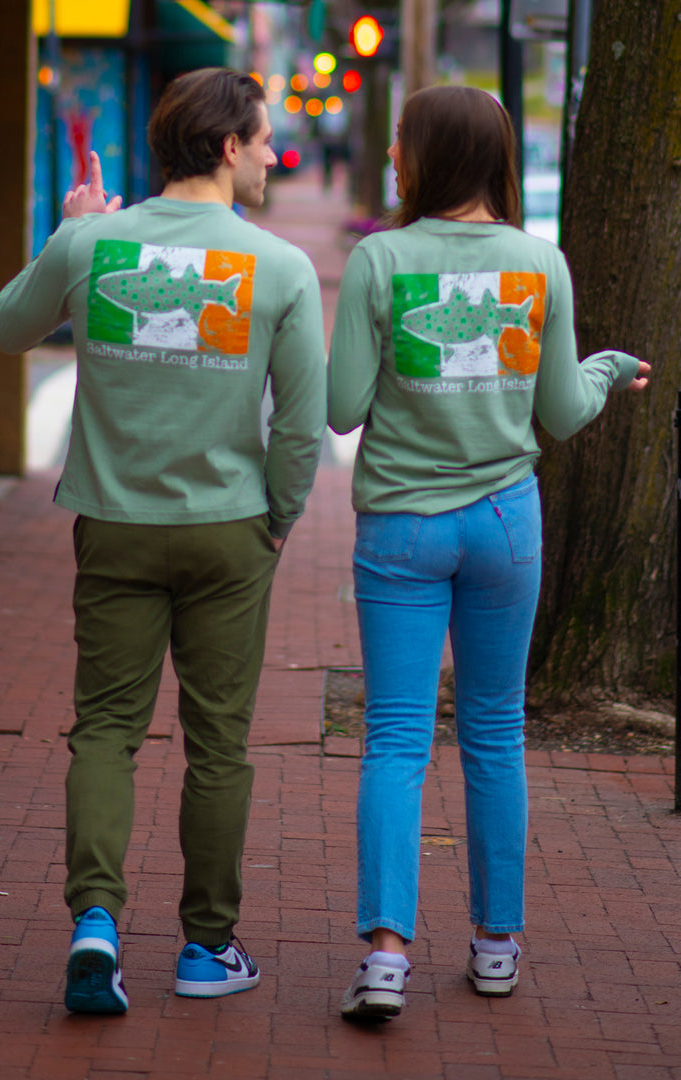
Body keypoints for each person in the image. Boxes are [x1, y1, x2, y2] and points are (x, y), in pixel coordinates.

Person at [0, 68, 326, 1014]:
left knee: (104, 729)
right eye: (262, 138)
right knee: (219, 744)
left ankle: (95, 919)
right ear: (226, 146)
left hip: (116, 525)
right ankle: (205, 948)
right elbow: (302, 428)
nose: (270, 153)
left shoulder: (95, 242)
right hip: (228, 530)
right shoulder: (283, 268)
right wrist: (278, 519)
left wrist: (68, 229)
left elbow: (7, 328)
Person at [327, 85, 650, 1020]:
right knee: (494, 733)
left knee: (394, 738)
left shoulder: (380, 259)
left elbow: (344, 406)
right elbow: (559, 413)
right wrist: (602, 368)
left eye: (399, 143)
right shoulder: (539, 262)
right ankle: (496, 946)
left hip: (401, 523)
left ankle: (385, 957)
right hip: (507, 523)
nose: (390, 155)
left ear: (425, 156)